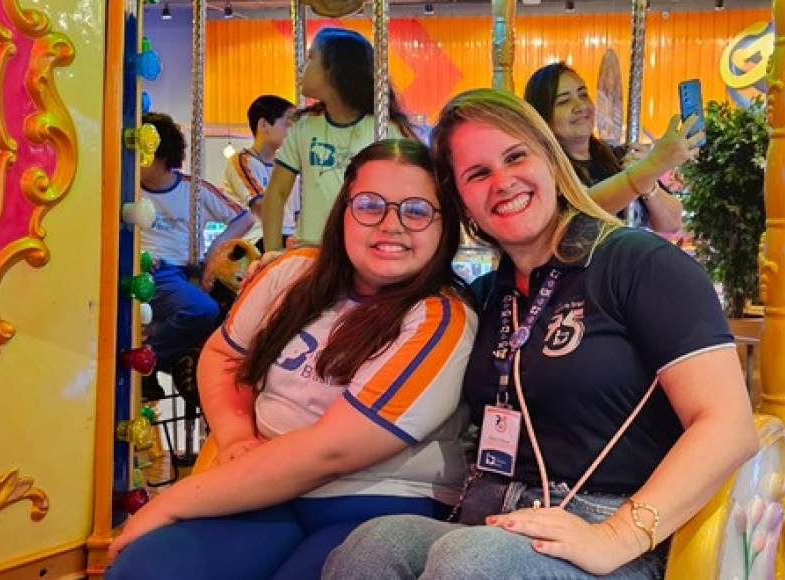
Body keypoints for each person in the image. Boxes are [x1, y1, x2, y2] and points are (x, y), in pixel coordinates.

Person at [323, 89, 758, 580]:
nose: (503, 182)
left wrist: (617, 536)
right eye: (478, 174)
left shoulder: (640, 264)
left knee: (472, 561)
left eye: (515, 157)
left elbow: (729, 425)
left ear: (551, 160)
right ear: (462, 202)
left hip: (610, 531)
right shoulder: (487, 295)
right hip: (491, 517)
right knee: (374, 545)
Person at [107, 139, 478, 580]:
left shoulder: (439, 319)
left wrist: (171, 502)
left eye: (416, 211)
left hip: (375, 499)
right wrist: (235, 436)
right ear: (343, 211)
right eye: (369, 205)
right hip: (261, 486)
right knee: (149, 568)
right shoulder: (294, 272)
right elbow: (225, 355)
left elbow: (330, 452)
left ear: (444, 225)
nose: (390, 225)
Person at [261, 27, 419, 252]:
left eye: (311, 58)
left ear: (334, 71)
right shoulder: (304, 128)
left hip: (364, 251)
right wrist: (272, 252)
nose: (302, 67)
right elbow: (276, 193)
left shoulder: (385, 130)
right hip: (312, 248)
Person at [140, 112, 254, 380]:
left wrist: (215, 250)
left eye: (143, 155)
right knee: (202, 309)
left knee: (236, 310)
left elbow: (244, 217)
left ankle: (188, 362)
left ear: (161, 155)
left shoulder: (193, 189)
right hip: (156, 270)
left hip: (190, 268)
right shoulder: (129, 190)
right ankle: (148, 359)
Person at [523, 62, 697, 234]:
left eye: (583, 95)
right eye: (564, 101)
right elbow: (585, 213)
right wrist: (652, 167)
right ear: (542, 117)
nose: (580, 106)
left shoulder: (619, 155)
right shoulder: (547, 171)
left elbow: (671, 223)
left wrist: (649, 184)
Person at [223, 94, 303, 252]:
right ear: (263, 125)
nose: (293, 133)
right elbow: (261, 207)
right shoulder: (242, 161)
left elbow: (298, 212)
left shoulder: (289, 164)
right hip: (256, 238)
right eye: (288, 125)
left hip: (289, 236)